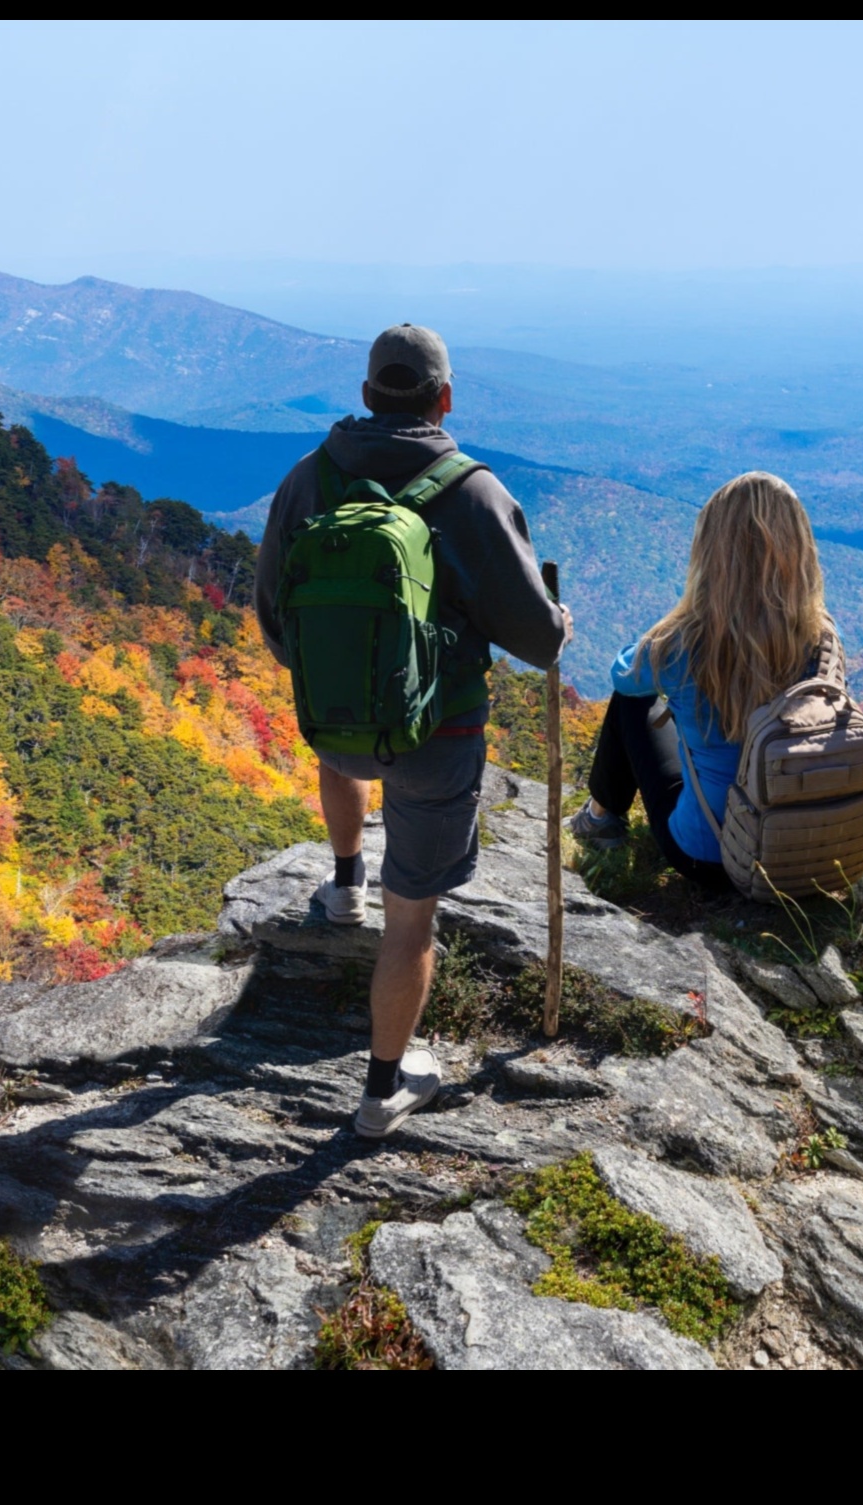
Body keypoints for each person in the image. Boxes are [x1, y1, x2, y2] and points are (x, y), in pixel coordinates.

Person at [256, 324, 570, 1139]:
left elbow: (273, 618)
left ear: (366, 396)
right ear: (445, 398)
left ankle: (343, 881)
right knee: (414, 920)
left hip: (335, 725)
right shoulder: (472, 493)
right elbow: (538, 640)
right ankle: (382, 1089)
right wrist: (557, 618)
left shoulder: (308, 480)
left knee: (345, 745)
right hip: (441, 733)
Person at [569, 471, 831, 889]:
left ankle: (600, 820)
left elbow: (623, 676)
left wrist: (676, 620)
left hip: (708, 855)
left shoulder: (687, 640)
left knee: (633, 703)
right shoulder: (820, 637)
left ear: (712, 551)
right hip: (798, 853)